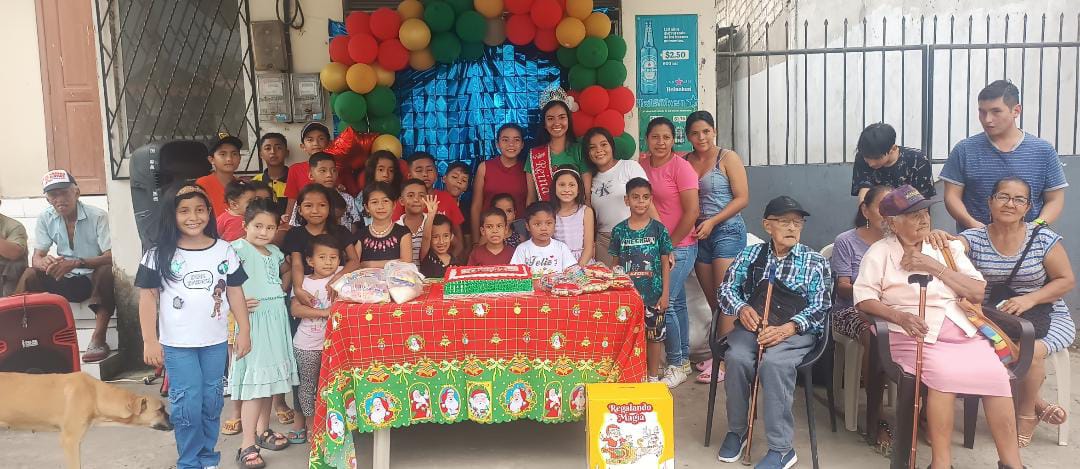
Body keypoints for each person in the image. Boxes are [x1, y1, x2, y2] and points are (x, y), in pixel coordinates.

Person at [853, 185, 1024, 469]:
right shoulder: (879, 253)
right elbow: (864, 299)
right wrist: (899, 317)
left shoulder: (945, 247)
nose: (923, 219)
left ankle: (1012, 463)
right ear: (892, 223)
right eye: (913, 215)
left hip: (960, 330)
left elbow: (977, 292)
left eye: (925, 212)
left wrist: (933, 266)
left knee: (996, 376)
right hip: (912, 333)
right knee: (944, 376)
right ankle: (941, 464)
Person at [931, 177, 1075, 447]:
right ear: (990, 202)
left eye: (1019, 199)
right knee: (981, 349)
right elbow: (951, 248)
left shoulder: (1043, 239)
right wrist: (939, 236)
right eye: (1003, 197)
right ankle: (1037, 402)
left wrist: (1030, 299)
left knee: (1030, 351)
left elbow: (1066, 280)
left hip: (1047, 314)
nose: (1010, 204)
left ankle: (1026, 414)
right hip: (994, 317)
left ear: (1028, 207)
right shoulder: (975, 238)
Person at [135, 183, 252, 469]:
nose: (193, 217)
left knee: (212, 401)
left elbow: (235, 292)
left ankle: (208, 458)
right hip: (178, 345)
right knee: (187, 402)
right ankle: (188, 461)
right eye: (184, 211)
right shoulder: (157, 255)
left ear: (209, 212)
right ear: (171, 215)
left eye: (200, 210)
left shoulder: (224, 250)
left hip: (215, 342)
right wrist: (150, 340)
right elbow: (147, 298)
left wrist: (245, 331)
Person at [716, 196, 831, 469]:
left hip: (795, 330)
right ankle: (738, 431)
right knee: (737, 358)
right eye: (785, 222)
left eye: (798, 222)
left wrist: (790, 327)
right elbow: (726, 289)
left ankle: (782, 449)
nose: (792, 227)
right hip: (753, 327)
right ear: (768, 225)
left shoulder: (814, 261)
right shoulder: (750, 255)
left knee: (774, 364)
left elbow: (821, 305)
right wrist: (742, 308)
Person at [16, 170, 115, 362]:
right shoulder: (45, 218)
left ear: (76, 192)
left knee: (107, 271)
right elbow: (36, 257)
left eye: (64, 192)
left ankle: (98, 338)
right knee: (30, 274)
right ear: (47, 199)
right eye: (53, 195)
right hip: (64, 278)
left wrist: (78, 262)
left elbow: (112, 256)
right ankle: (21, 335)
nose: (59, 199)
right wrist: (45, 262)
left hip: (91, 280)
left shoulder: (98, 216)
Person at [941, 80, 1068, 229]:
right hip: (974, 238)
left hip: (1030, 240)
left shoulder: (1043, 151)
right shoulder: (964, 150)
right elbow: (951, 196)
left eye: (996, 111)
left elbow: (1055, 199)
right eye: (982, 112)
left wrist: (1035, 227)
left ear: (1016, 111)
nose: (987, 119)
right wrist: (975, 227)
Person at [229, 198, 299, 467]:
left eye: (270, 227)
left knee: (268, 381)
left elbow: (286, 270)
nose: (263, 232)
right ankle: (246, 444)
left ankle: (262, 431)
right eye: (258, 226)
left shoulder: (275, 252)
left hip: (275, 318)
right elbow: (220, 279)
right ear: (245, 225)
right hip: (254, 320)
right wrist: (233, 302)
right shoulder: (238, 249)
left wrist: (282, 286)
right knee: (255, 384)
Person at [684, 111, 749, 384]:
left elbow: (742, 198)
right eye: (695, 133)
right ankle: (720, 353)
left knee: (726, 297)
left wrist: (713, 221)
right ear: (688, 137)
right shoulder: (685, 161)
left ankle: (724, 363)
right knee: (715, 302)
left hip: (727, 230)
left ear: (714, 131)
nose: (701, 137)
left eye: (706, 131)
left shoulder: (728, 158)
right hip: (700, 234)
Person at [638, 117, 700, 387]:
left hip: (681, 246)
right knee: (679, 303)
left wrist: (668, 245)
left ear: (674, 140)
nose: (661, 142)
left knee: (665, 303)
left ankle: (675, 364)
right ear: (646, 140)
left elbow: (692, 212)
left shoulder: (681, 167)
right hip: (654, 249)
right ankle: (683, 360)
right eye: (655, 137)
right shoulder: (641, 167)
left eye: (666, 137)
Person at [830, 185, 891, 446]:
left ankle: (920, 412)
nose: (888, 214)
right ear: (865, 210)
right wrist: (869, 293)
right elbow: (842, 286)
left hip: (891, 308)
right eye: (882, 207)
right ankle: (875, 418)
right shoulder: (847, 241)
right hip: (850, 309)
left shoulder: (901, 241)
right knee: (875, 334)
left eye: (894, 208)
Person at [608, 178, 672, 383]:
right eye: (635, 197)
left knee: (654, 337)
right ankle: (633, 377)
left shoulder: (659, 230)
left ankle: (652, 377)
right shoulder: (619, 231)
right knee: (628, 337)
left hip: (654, 296)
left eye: (645, 197)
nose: (641, 202)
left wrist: (665, 294)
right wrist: (616, 292)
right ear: (627, 200)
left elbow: (665, 263)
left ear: (651, 199)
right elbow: (615, 265)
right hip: (628, 298)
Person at [288, 234, 342, 447]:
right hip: (307, 345)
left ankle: (332, 424)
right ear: (310, 261)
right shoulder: (303, 282)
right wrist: (325, 313)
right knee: (308, 386)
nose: (328, 262)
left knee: (332, 386)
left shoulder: (341, 278)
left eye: (333, 257)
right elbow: (295, 309)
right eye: (322, 257)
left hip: (334, 346)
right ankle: (312, 425)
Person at [284, 184, 359, 309]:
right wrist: (297, 288)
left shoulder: (341, 231)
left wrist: (339, 277)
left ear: (329, 208)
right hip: (308, 290)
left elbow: (354, 261)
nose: (315, 210)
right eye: (308, 205)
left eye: (322, 205)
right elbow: (297, 265)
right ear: (300, 210)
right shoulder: (295, 234)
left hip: (338, 290)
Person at [585, 127, 652, 266]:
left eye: (603, 144)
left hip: (635, 237)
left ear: (612, 146)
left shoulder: (629, 166)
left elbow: (648, 204)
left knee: (638, 278)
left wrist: (662, 240)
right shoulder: (592, 178)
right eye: (592, 147)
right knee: (607, 279)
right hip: (605, 242)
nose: (599, 150)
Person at [392, 152, 466, 256]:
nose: (425, 174)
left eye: (429, 170)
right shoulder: (404, 202)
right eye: (419, 170)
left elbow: (459, 243)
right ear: (409, 176)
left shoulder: (447, 198)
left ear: (436, 174)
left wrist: (448, 261)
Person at [526, 99, 591, 204]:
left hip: (575, 212)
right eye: (550, 119)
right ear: (544, 124)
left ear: (568, 120)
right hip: (546, 213)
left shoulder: (579, 150)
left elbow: (587, 196)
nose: (556, 123)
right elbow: (531, 198)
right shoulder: (535, 155)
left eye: (562, 117)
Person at [471, 123, 528, 242]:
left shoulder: (527, 169)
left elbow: (530, 202)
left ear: (522, 144)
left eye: (516, 140)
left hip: (519, 233)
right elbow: (476, 206)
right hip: (490, 232)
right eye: (505, 140)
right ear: (497, 144)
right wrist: (476, 240)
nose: (511, 144)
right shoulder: (484, 167)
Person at [850, 123, 935, 200]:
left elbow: (923, 200)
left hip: (911, 209)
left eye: (877, 158)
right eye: (866, 157)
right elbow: (864, 193)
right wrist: (865, 211)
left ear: (893, 149)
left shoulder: (917, 159)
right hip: (876, 210)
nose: (871, 163)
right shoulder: (861, 157)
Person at [287, 154, 363, 233]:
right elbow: (295, 227)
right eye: (323, 171)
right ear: (311, 175)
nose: (329, 175)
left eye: (333, 170)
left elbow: (354, 224)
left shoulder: (348, 199)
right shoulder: (304, 199)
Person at [511, 202, 577, 276]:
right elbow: (516, 274)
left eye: (549, 223)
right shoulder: (522, 249)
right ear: (527, 226)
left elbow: (572, 272)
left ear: (555, 224)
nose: (543, 228)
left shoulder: (561, 247)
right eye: (537, 224)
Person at [356, 182, 412, 268]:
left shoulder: (403, 232)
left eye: (385, 201)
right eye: (374, 202)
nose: (380, 206)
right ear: (366, 207)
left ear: (394, 205)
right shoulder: (360, 234)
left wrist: (371, 264)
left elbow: (406, 261)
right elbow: (355, 264)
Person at [550, 166, 595, 265]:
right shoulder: (550, 213)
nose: (567, 189)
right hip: (557, 262)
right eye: (562, 185)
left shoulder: (586, 211)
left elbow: (588, 248)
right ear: (554, 188)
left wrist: (577, 269)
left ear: (578, 189)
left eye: (572, 185)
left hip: (583, 263)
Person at [195, 134, 242, 216]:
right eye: (223, 154)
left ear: (240, 158)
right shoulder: (202, 185)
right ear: (211, 159)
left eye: (234, 154)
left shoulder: (243, 185)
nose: (229, 159)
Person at [251, 132, 290, 214]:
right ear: (261, 154)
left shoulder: (295, 179)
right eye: (268, 148)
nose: (273, 152)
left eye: (278, 148)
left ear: (287, 152)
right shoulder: (256, 181)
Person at [0, 199, 28, 296]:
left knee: (16, 264)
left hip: (7, 275)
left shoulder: (14, 226)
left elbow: (15, 253)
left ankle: (10, 301)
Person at [395, 179, 427, 262]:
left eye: (421, 196)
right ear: (402, 201)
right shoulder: (394, 228)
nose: (416, 199)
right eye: (410, 195)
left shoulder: (434, 222)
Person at [419, 209, 457, 278]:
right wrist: (431, 214)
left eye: (446, 236)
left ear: (451, 236)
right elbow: (426, 238)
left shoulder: (454, 261)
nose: (441, 241)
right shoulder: (427, 255)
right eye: (435, 237)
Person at [442, 161, 472, 245]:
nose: (459, 181)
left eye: (464, 180)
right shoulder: (433, 202)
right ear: (444, 179)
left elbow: (467, 242)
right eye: (455, 177)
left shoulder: (465, 210)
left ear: (466, 187)